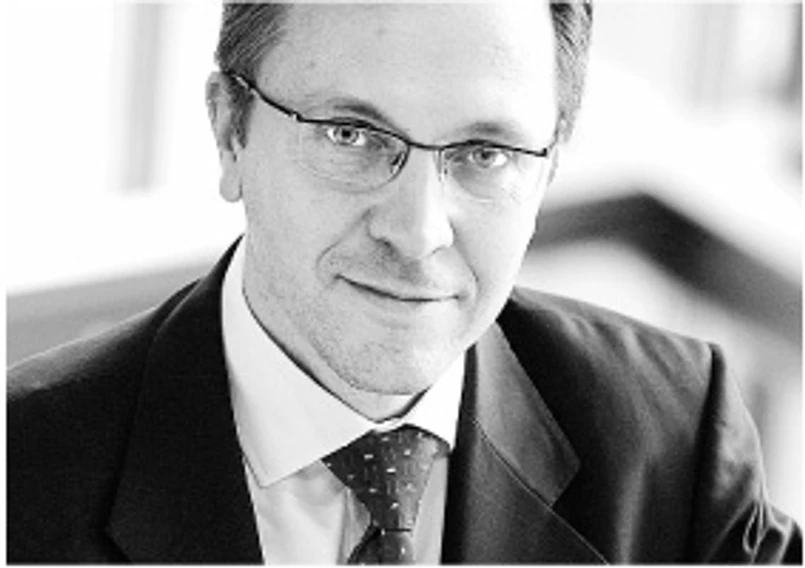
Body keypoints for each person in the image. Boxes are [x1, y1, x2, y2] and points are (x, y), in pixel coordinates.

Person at [7, 1, 801, 564]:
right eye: (350, 135)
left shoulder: (669, 435)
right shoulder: (24, 474)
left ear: (548, 170)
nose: (418, 232)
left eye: (485, 153)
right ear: (228, 132)